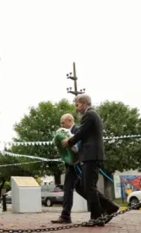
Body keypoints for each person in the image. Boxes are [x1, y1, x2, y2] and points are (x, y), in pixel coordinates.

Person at [62, 94, 120, 225]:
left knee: (89, 187)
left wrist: (68, 142)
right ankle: (109, 207)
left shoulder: (89, 115)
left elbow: (81, 133)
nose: (76, 109)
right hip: (91, 156)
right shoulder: (93, 115)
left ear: (84, 103)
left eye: (77, 105)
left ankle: (96, 217)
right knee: (82, 186)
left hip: (91, 156)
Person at [51, 113, 81, 224]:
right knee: (80, 189)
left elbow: (78, 146)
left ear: (70, 120)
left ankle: (65, 216)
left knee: (71, 189)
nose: (62, 125)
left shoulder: (77, 130)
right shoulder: (65, 132)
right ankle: (107, 206)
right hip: (71, 165)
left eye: (63, 123)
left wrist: (68, 142)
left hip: (78, 164)